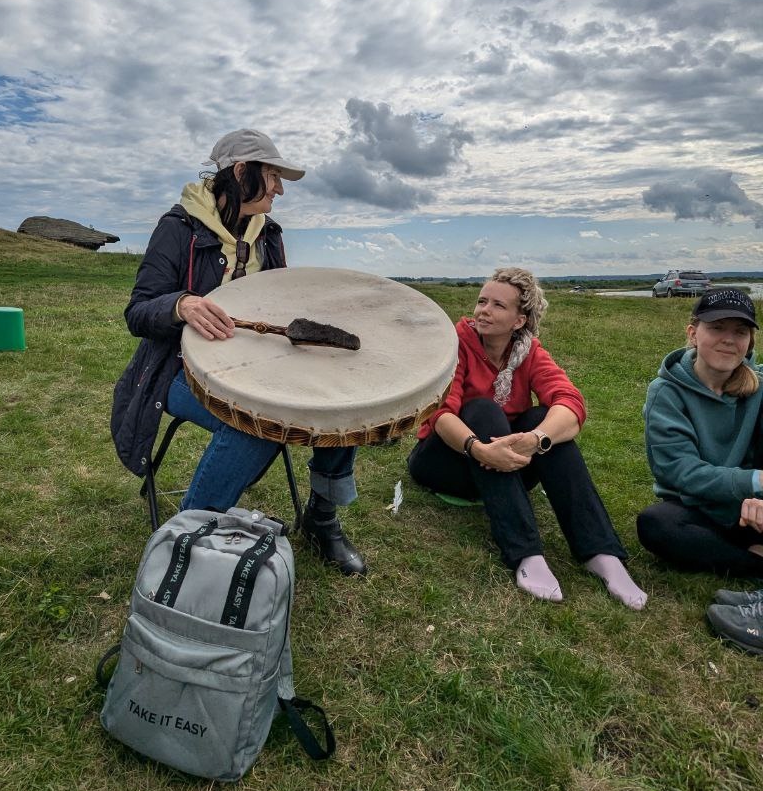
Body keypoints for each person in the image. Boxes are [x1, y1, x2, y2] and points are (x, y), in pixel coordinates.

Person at [111, 128, 366, 575]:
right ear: (242, 172)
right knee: (258, 424)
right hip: (179, 370)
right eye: (272, 176)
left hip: (257, 365)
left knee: (337, 401)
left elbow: (279, 299)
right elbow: (138, 311)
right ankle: (185, 537)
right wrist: (180, 304)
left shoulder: (269, 234)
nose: (280, 189)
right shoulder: (180, 228)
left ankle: (322, 519)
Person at [407, 267, 646, 608]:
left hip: (505, 462)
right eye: (481, 301)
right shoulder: (456, 343)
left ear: (519, 321)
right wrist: (480, 450)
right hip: (445, 460)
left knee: (541, 420)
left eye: (497, 305)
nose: (483, 311)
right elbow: (441, 413)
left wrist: (537, 439)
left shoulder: (529, 352)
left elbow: (571, 403)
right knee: (482, 410)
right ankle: (526, 554)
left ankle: (601, 552)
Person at [638, 288, 763, 652]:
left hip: (754, 511)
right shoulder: (667, 392)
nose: (729, 339)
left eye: (740, 331)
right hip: (700, 508)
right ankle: (754, 563)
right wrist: (753, 482)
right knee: (656, 524)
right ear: (693, 333)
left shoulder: (758, 387)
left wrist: (757, 498)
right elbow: (679, 471)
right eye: (717, 327)